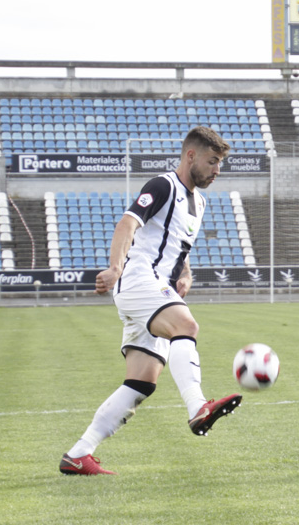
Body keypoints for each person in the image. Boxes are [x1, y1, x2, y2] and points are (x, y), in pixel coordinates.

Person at [60, 126, 242, 476]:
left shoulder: (199, 201)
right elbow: (127, 225)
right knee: (186, 326)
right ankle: (197, 407)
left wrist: (185, 274)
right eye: (212, 161)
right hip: (138, 279)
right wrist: (115, 268)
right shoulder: (162, 185)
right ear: (191, 156)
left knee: (142, 381)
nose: (217, 170)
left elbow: (177, 245)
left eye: (220, 163)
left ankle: (79, 454)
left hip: (158, 287)